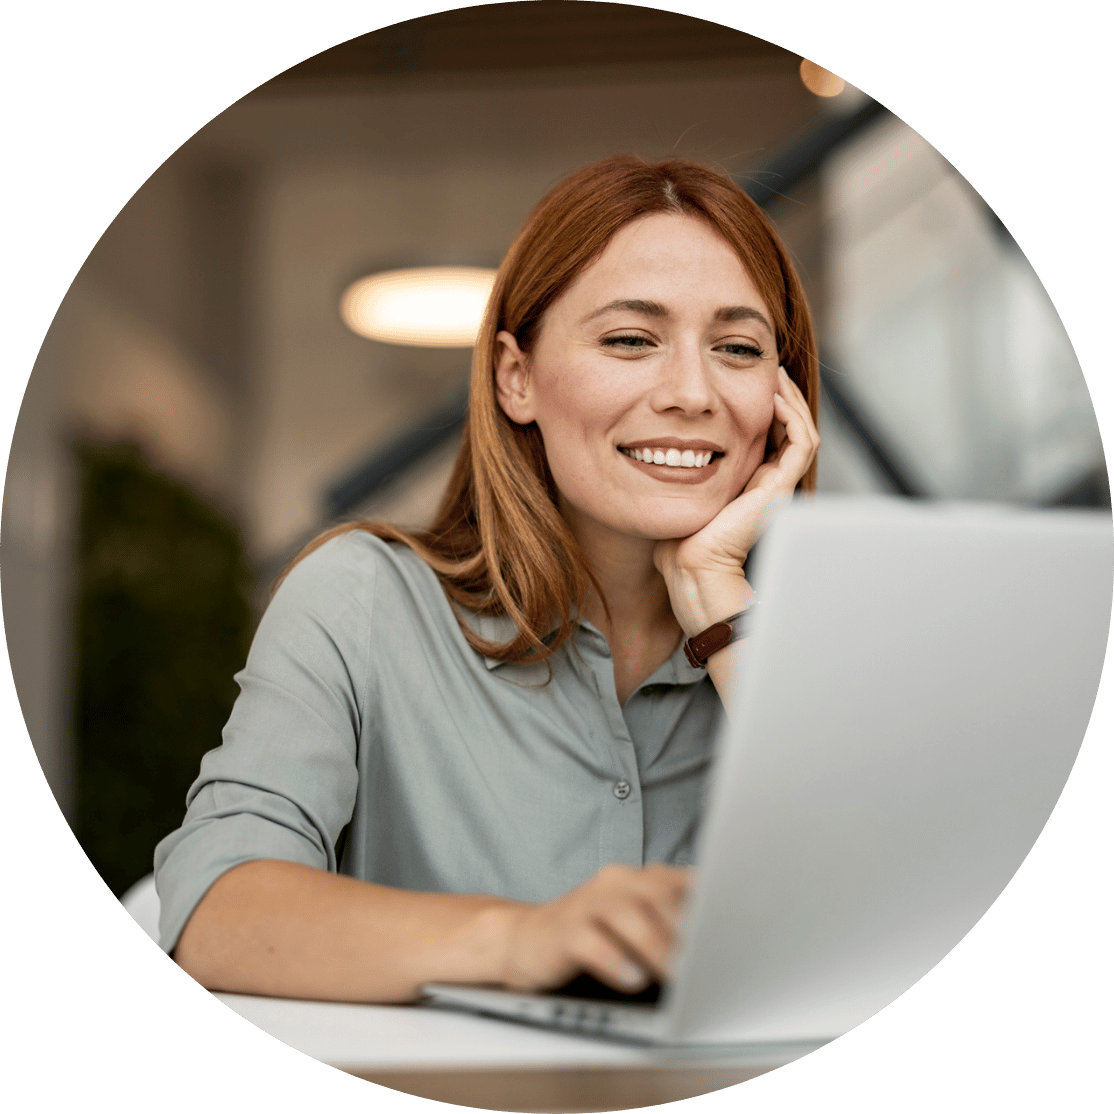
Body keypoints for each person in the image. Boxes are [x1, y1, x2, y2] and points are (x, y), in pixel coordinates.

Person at [155, 155, 819, 1004]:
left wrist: (720, 599)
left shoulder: (816, 641)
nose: (692, 392)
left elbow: (906, 931)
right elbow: (218, 909)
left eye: (737, 348)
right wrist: (522, 939)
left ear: (783, 396)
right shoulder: (362, 601)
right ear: (517, 378)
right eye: (629, 339)